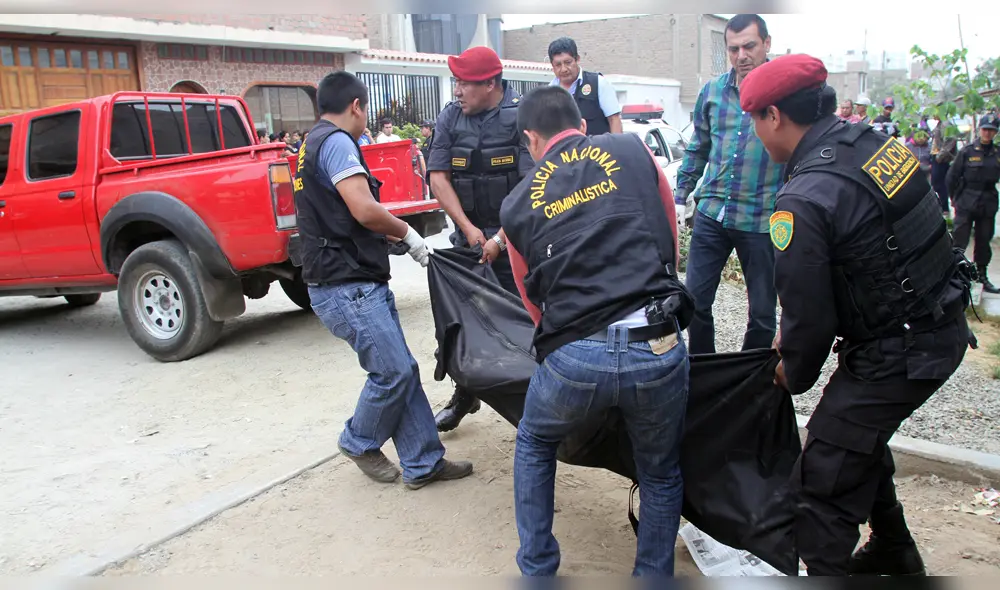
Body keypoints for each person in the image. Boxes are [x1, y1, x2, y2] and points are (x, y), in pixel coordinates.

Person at [741, 54, 975, 576]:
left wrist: (792, 371)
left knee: (823, 480)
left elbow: (808, 316)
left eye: (754, 120)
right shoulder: (870, 144)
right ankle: (895, 552)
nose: (755, 134)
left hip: (901, 350)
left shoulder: (801, 200)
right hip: (938, 322)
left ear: (774, 116)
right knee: (854, 443)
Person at [500, 85, 694, 577]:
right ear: (582, 126)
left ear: (531, 140)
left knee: (536, 442)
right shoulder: (630, 149)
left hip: (575, 352)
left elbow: (531, 299)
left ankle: (538, 567)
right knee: (660, 470)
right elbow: (668, 236)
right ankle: (653, 577)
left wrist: (571, 346)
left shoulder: (518, 202)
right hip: (655, 340)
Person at [294, 71, 473, 490]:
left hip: (347, 279)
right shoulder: (337, 143)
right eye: (366, 109)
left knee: (403, 369)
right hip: (345, 284)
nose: (366, 117)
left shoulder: (312, 142)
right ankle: (358, 439)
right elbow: (363, 208)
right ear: (356, 106)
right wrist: (408, 235)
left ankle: (423, 462)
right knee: (392, 372)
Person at [427, 45, 535, 432]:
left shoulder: (522, 116)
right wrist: (471, 231)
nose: (457, 90)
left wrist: (501, 239)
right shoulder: (450, 118)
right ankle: (465, 393)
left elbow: (533, 185)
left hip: (517, 243)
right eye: (455, 82)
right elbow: (438, 177)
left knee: (525, 324)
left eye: (464, 83)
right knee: (461, 324)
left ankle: (536, 407)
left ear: (490, 84)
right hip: (469, 242)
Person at [674, 13, 783, 355]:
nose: (741, 56)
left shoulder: (785, 95)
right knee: (695, 303)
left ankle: (751, 384)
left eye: (749, 46)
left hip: (761, 218)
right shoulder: (712, 93)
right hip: (712, 214)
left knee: (764, 314)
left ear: (766, 44)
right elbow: (698, 149)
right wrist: (680, 197)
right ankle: (705, 375)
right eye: (733, 48)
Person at [947, 114, 1000, 294]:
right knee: (959, 241)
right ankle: (953, 275)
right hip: (967, 199)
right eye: (985, 129)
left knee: (984, 240)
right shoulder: (967, 151)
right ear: (980, 130)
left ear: (995, 132)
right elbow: (952, 177)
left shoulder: (997, 153)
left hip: (988, 200)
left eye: (991, 130)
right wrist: (954, 199)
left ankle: (981, 276)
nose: (988, 133)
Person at [547, 36, 623, 135]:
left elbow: (614, 120)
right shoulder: (548, 92)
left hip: (598, 149)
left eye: (568, 62)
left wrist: (615, 148)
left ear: (577, 59)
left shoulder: (598, 83)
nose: (564, 69)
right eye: (558, 65)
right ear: (552, 66)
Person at [930, 116, 959, 216]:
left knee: (941, 184)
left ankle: (945, 208)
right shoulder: (940, 124)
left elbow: (950, 141)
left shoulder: (946, 124)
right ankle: (943, 207)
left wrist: (940, 155)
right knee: (937, 183)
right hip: (937, 157)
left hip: (942, 159)